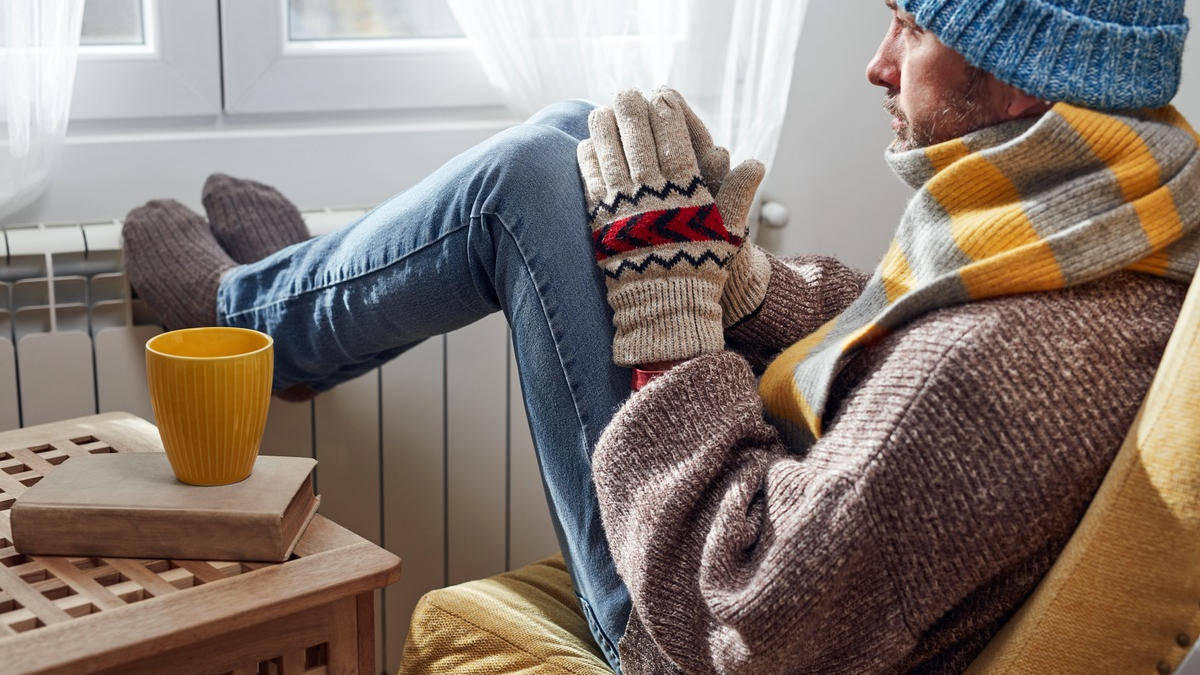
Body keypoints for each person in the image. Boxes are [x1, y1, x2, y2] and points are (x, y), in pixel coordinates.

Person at [120, 0, 1199, 672]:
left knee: (525, 183)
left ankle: (248, 319)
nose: (877, 64)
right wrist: (738, 281)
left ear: (1009, 72)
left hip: (681, 622)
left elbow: (745, 620)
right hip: (762, 572)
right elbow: (896, 334)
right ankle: (292, 299)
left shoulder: (998, 381)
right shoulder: (1106, 239)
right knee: (577, 140)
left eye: (910, 24)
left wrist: (675, 318)